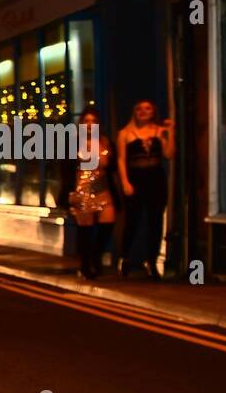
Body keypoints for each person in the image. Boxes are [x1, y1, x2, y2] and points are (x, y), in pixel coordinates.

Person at [116, 99, 173, 280]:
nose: (143, 111)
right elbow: (121, 160)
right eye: (139, 108)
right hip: (135, 178)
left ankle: (151, 260)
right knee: (132, 220)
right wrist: (125, 182)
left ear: (153, 112)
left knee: (155, 222)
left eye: (147, 108)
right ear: (134, 111)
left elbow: (169, 154)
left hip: (155, 178)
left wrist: (170, 133)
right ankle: (124, 257)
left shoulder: (159, 131)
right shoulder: (125, 133)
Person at [68, 108, 116, 279]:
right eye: (86, 121)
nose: (89, 124)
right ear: (81, 124)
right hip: (82, 187)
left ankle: (96, 256)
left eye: (93, 120)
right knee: (85, 230)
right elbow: (66, 167)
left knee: (108, 223)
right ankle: (85, 264)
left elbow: (113, 165)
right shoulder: (73, 142)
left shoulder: (105, 141)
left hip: (102, 187)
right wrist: (69, 192)